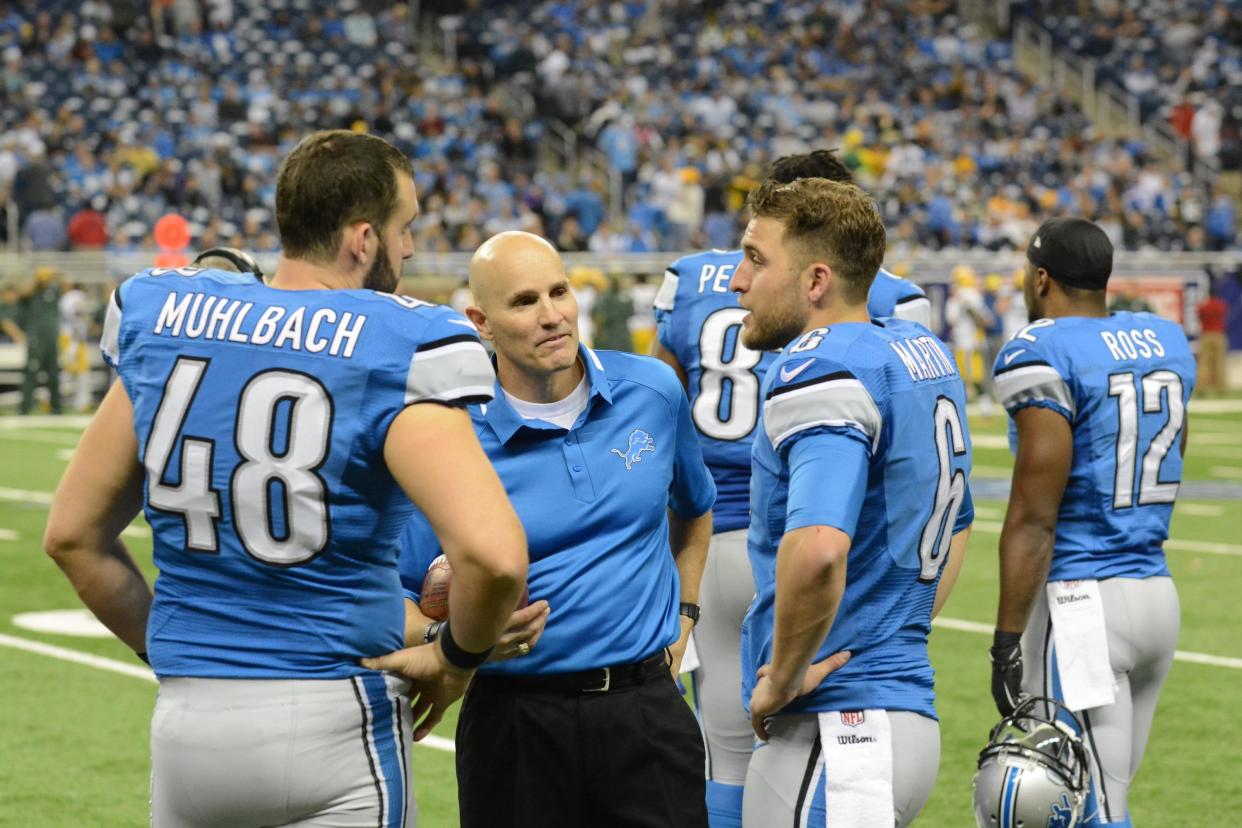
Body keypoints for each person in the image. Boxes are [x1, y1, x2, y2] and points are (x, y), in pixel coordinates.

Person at [42, 129, 528, 827]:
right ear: (362, 239)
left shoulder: (170, 315)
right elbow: (494, 556)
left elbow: (71, 537)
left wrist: (191, 654)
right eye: (405, 227)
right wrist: (454, 660)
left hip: (190, 724)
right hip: (333, 713)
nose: (411, 247)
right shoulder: (398, 340)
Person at [380, 230, 716, 828]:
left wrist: (686, 613)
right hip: (513, 722)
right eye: (524, 302)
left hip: (646, 711)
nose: (552, 316)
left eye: (559, 292)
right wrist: (452, 641)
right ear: (480, 320)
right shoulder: (447, 436)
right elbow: (396, 598)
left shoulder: (653, 392)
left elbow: (693, 510)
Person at [650, 148, 939, 828]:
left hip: (725, 538)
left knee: (727, 755)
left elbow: (657, 411)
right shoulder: (900, 314)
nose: (742, 276)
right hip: (826, 554)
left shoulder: (695, 279)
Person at [729, 178, 973, 827]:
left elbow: (817, 548)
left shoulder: (822, 365)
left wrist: (779, 679)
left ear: (815, 280)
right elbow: (960, 528)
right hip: (901, 716)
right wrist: (894, 633)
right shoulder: (917, 352)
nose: (735, 280)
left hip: (837, 732)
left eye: (755, 258)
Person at [989, 217, 1196, 827]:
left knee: (1087, 813)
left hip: (1082, 608)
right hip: (1157, 596)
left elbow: (1033, 517)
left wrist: (1005, 643)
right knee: (1108, 800)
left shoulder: (1041, 349)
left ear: (1042, 278)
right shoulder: (1163, 338)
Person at [16, 266, 63, 414]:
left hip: (51, 339)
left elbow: (64, 284)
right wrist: (36, 280)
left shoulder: (53, 292)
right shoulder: (31, 294)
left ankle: (56, 407)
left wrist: (52, 275)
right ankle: (25, 408)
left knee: (53, 374)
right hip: (36, 339)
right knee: (31, 372)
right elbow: (22, 293)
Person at [1195, 283, 1229, 396]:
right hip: (1219, 335)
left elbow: (1199, 316)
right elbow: (1224, 313)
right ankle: (1221, 389)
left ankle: (1200, 388)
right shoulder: (1221, 305)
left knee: (1203, 363)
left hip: (1206, 335)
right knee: (1220, 362)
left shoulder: (1203, 306)